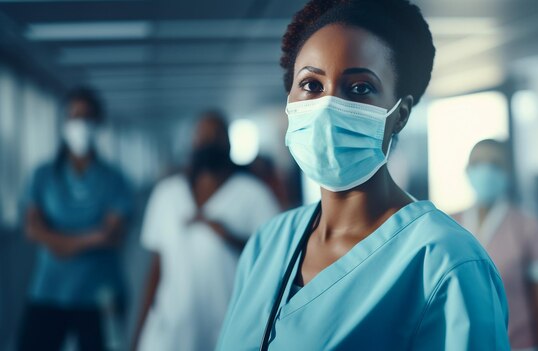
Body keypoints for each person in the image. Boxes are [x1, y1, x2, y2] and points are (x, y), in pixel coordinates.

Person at [217, 1, 510, 350]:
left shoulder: (446, 263)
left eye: (359, 88)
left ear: (399, 115)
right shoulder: (269, 243)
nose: (327, 106)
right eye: (311, 84)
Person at [132, 111, 281, 351]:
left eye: (216, 136)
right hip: (172, 328)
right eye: (202, 135)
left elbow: (275, 257)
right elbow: (155, 269)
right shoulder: (167, 194)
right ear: (192, 143)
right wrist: (137, 334)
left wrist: (229, 236)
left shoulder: (252, 194)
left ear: (229, 144)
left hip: (228, 323)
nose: (208, 141)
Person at [18, 87, 133, 351]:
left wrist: (58, 241)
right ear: (64, 123)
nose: (80, 124)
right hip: (49, 291)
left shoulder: (114, 179)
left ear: (99, 123)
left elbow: (113, 236)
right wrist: (91, 237)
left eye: (88, 116)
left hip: (101, 294)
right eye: (74, 116)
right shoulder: (44, 175)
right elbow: (31, 228)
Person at [452, 139, 538, 351]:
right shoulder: (448, 224)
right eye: (478, 163)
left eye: (495, 164)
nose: (486, 171)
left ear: (508, 172)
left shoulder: (529, 227)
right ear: (467, 170)